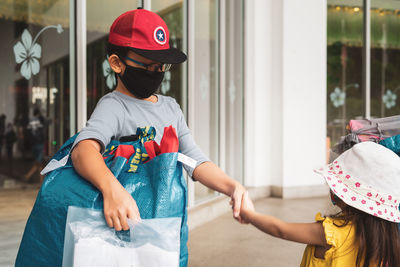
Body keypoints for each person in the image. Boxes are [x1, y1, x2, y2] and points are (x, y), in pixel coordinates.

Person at [71, 8, 251, 233]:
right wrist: (112, 189)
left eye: (161, 67)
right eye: (148, 66)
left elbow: (193, 160)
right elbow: (83, 151)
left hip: (166, 226)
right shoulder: (114, 106)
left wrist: (231, 186)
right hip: (122, 225)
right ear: (117, 63)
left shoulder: (171, 108)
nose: (156, 73)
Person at [239, 142, 400, 266]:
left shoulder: (333, 233)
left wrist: (249, 214)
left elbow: (280, 230)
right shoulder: (390, 240)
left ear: (345, 196)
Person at [24, 108, 46, 183]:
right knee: (38, 162)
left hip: (33, 144)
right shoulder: (40, 120)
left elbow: (28, 132)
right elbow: (43, 130)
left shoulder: (30, 121)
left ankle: (41, 181)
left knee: (39, 163)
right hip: (40, 143)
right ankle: (27, 175)